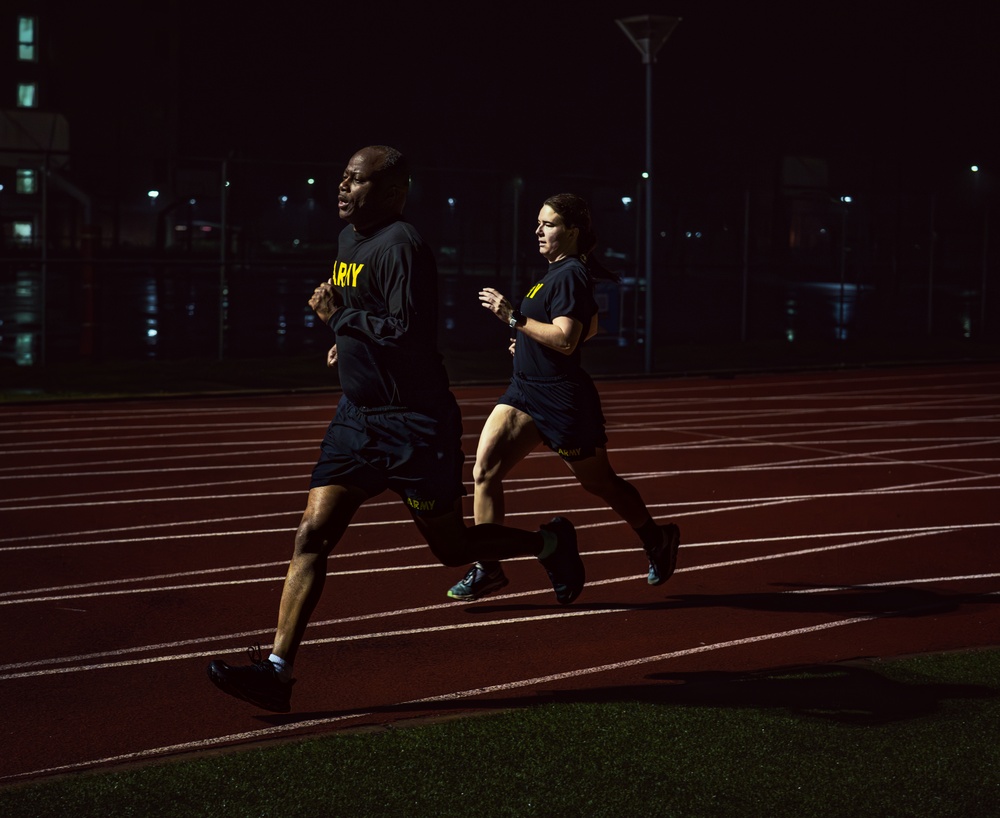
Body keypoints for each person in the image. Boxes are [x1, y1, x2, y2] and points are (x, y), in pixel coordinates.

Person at [206, 146, 583, 713]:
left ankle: (550, 543)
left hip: (415, 423)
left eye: (356, 180)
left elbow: (406, 330)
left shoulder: (402, 245)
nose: (342, 187)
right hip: (357, 418)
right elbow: (365, 311)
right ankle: (277, 672)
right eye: (342, 177)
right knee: (312, 532)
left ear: (391, 191)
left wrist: (342, 319)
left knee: (452, 548)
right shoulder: (348, 241)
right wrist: (344, 342)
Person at [446, 192, 680, 601]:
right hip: (524, 391)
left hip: (561, 400)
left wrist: (514, 318)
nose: (538, 230)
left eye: (548, 224)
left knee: (600, 483)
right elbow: (589, 328)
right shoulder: (553, 273)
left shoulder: (571, 273)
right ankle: (488, 567)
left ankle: (656, 537)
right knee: (484, 472)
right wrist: (530, 342)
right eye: (538, 222)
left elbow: (569, 340)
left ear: (572, 231)